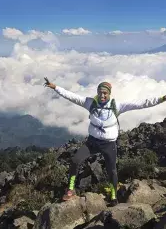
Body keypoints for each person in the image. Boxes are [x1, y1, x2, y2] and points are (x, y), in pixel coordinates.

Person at [43, 77, 166, 206]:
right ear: (97, 92)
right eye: (100, 92)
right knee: (75, 160)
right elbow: (72, 96)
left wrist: (162, 99)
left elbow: (142, 103)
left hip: (109, 144)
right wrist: (55, 87)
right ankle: (70, 189)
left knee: (112, 170)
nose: (102, 95)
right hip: (92, 142)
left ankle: (113, 196)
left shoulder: (117, 106)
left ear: (109, 93)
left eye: (105, 93)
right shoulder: (90, 103)